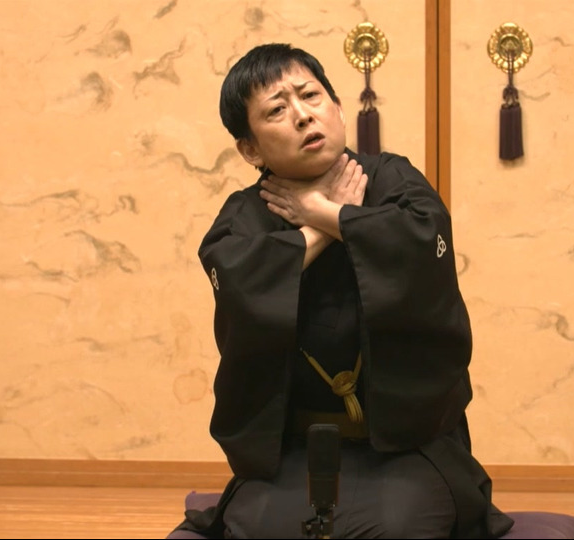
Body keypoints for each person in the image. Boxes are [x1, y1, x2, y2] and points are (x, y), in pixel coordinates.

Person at [175, 43, 515, 539]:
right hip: (290, 448)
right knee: (261, 531)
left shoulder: (392, 178)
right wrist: (321, 228)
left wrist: (326, 212)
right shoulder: (245, 214)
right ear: (250, 149)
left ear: (336, 107)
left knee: (396, 532)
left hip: (406, 446)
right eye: (276, 110)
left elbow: (422, 244)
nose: (302, 115)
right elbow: (242, 289)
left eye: (311, 95)